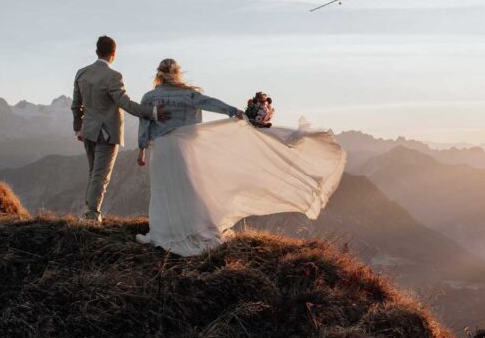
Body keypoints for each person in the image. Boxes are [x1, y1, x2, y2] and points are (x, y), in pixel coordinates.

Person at [135, 58, 346, 255]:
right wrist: (234, 112)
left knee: (164, 188)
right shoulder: (188, 94)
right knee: (188, 187)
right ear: (178, 74)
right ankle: (191, 228)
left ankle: (166, 231)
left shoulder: (150, 97)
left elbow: (145, 122)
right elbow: (210, 103)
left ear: (159, 75)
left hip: (161, 147)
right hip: (183, 147)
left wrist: (142, 149)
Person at [71, 35, 171, 222]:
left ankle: (89, 211)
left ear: (96, 51)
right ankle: (92, 215)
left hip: (88, 131)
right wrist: (153, 112)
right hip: (107, 133)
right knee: (101, 176)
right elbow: (125, 104)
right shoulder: (113, 76)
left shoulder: (81, 73)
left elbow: (76, 105)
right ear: (114, 53)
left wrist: (78, 128)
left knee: (93, 172)